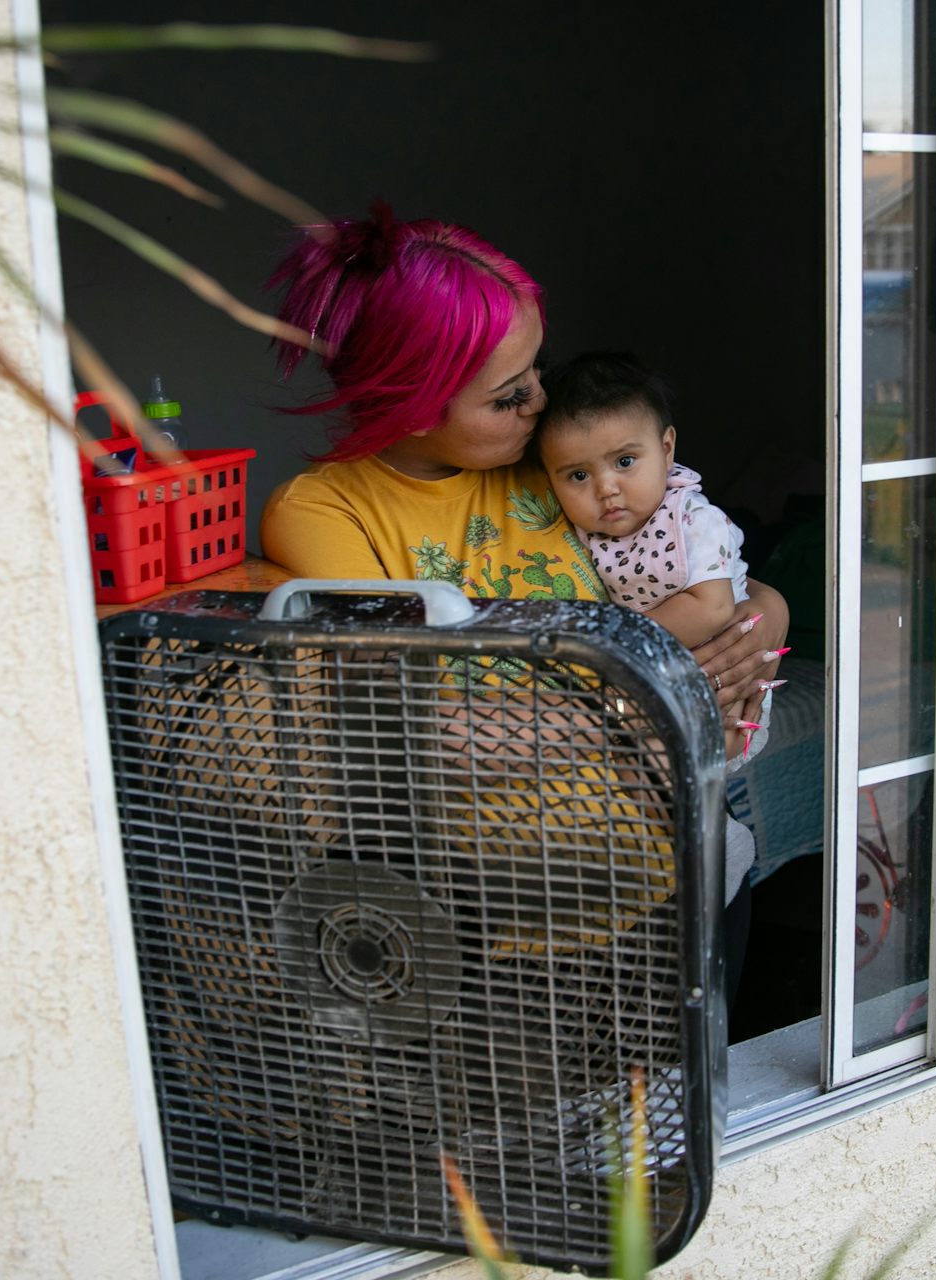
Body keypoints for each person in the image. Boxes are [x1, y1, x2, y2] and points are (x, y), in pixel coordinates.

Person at [258, 204, 786, 981]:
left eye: (537, 372)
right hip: (506, 936)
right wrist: (643, 700)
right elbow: (408, 744)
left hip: (676, 878)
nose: (541, 403)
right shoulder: (327, 516)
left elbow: (726, 582)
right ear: (409, 401)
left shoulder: (554, 463)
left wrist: (759, 620)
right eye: (509, 395)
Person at [535, 350, 779, 904]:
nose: (606, 490)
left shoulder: (691, 518)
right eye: (578, 475)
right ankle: (682, 860)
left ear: (666, 449)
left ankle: (717, 852)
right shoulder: (594, 534)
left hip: (729, 686)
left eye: (624, 461)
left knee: (660, 765)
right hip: (664, 680)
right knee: (636, 772)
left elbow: (713, 608)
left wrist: (622, 638)